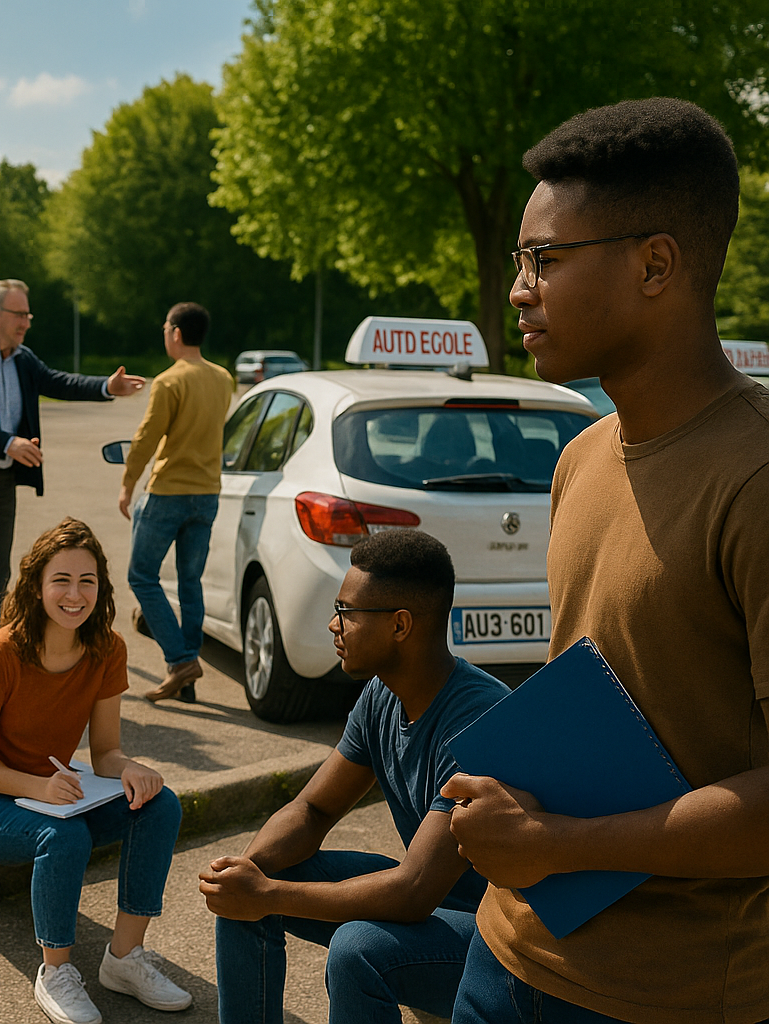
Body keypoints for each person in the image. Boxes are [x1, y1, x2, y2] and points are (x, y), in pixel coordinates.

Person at [442, 98, 769, 1023]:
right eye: (518, 261)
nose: (518, 289)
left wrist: (559, 843)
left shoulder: (756, 477)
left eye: (545, 260)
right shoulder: (579, 457)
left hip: (664, 999)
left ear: (656, 263)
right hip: (505, 956)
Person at [200, 529, 508, 1024]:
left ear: (400, 625)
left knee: (356, 949)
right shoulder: (381, 696)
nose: (332, 624)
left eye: (346, 612)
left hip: (495, 943)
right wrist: (249, 874)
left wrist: (267, 895)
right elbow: (313, 808)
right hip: (434, 907)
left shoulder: (481, 722)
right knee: (245, 886)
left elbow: (412, 892)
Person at [0, 517, 191, 1024]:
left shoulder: (107, 649)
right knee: (65, 836)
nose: (74, 594)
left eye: (87, 581)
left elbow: (105, 753)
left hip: (57, 791)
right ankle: (55, 970)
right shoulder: (1, 652)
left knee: (160, 806)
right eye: (61, 580)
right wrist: (39, 786)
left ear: (100, 589)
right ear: (36, 586)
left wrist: (133, 769)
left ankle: (124, 959)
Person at [0, 279, 146, 694]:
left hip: (3, 483)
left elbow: (60, 383)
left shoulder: (23, 359)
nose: (26, 323)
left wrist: (108, 387)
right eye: (19, 315)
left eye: (28, 315)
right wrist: (7, 442)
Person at [118, 302, 234, 704]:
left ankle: (181, 660)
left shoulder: (169, 382)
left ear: (177, 334)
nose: (164, 333)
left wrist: (127, 483)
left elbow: (147, 437)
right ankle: (186, 680)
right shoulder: (223, 378)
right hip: (207, 494)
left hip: (168, 492)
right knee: (190, 583)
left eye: (166, 327)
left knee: (142, 576)